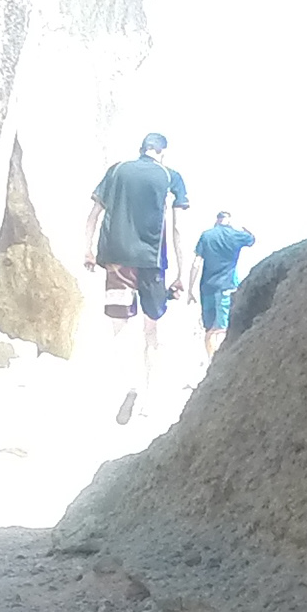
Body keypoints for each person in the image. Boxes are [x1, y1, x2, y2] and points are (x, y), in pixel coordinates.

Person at [85, 130, 188, 421]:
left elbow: (93, 214)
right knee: (152, 330)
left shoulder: (116, 171)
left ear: (141, 148)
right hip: (153, 263)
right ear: (162, 152)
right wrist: (181, 273)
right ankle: (150, 401)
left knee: (120, 327)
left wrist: (88, 251)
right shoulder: (170, 176)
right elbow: (177, 228)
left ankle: (129, 385)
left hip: (117, 261)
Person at [193, 206, 255, 356]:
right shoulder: (235, 235)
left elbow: (196, 263)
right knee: (224, 327)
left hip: (207, 288)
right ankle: (221, 360)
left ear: (217, 220)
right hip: (227, 286)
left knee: (209, 328)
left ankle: (210, 359)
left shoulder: (206, 235)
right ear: (229, 220)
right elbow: (252, 239)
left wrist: (190, 289)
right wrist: (244, 228)